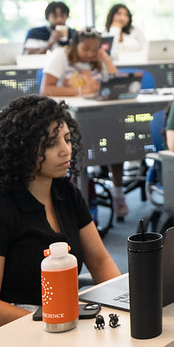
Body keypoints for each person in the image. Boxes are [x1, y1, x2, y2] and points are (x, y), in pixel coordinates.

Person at [0, 95, 120, 331]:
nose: (65, 150)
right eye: (51, 144)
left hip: (67, 321)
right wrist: (52, 323)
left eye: (68, 139)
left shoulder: (66, 193)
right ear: (22, 149)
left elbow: (100, 262)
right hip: (19, 331)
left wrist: (124, 301)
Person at [39, 28, 130, 216]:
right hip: (71, 116)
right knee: (79, 148)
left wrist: (105, 59)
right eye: (85, 49)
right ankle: (77, 193)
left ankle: (118, 193)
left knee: (118, 140)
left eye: (94, 50)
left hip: (102, 115)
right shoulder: (61, 56)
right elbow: (46, 89)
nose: (90, 54)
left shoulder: (99, 59)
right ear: (75, 45)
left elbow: (116, 85)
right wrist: (79, 91)